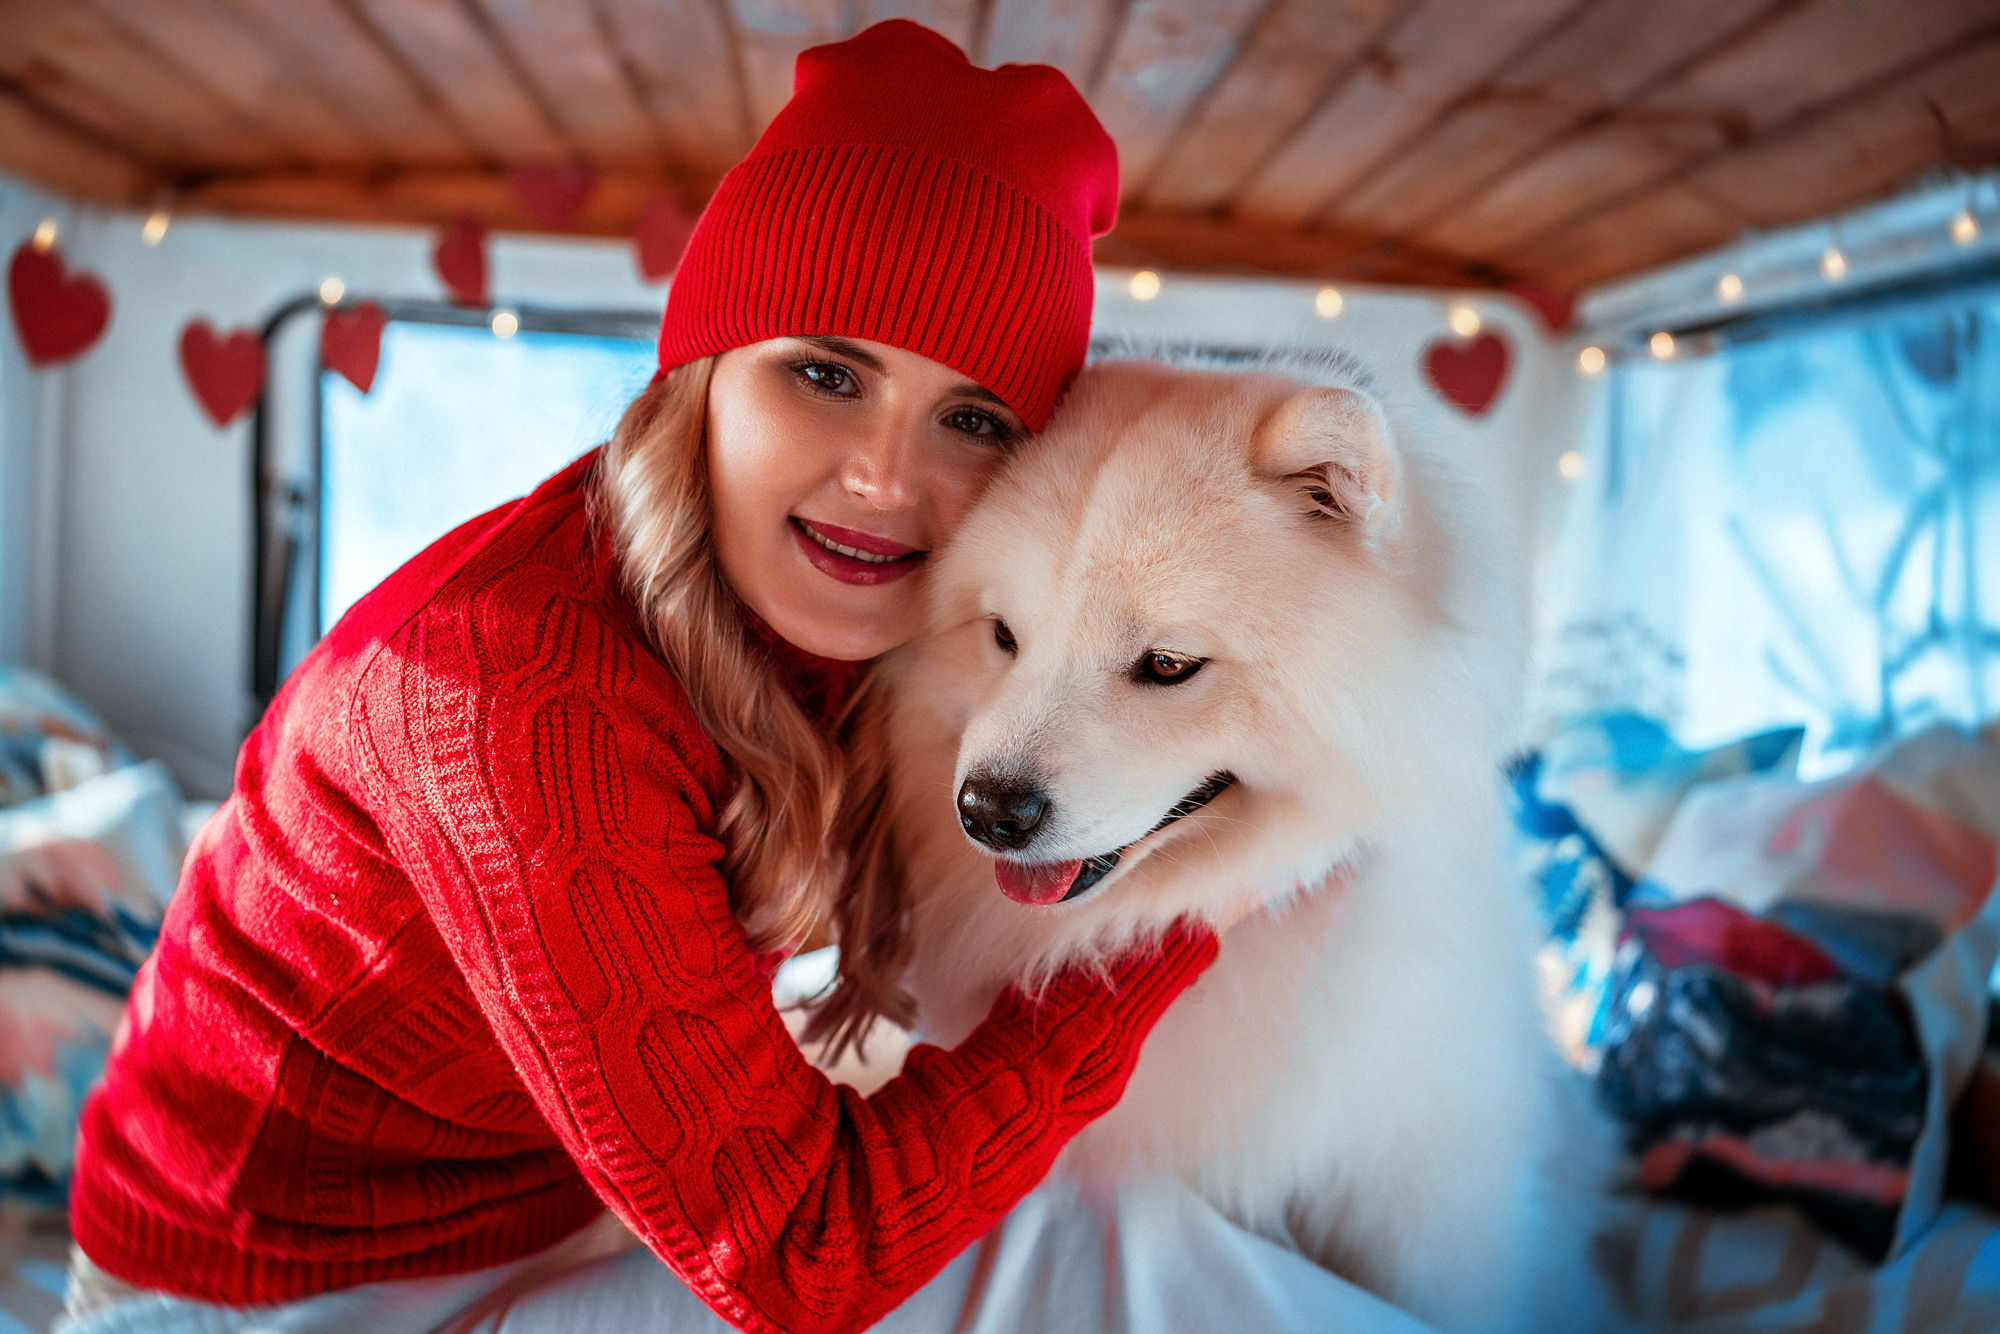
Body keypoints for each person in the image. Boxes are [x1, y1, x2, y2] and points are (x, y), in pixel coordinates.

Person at [61, 20, 1225, 1334]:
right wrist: (1186, 913)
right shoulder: (513, 687)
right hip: (264, 1279)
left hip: (522, 1194)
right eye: (826, 373)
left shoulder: (859, 621)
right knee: (1070, 1257)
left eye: (974, 420)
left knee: (1118, 1227)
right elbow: (795, 1260)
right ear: (706, 372)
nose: (888, 481)